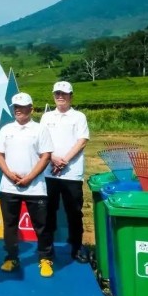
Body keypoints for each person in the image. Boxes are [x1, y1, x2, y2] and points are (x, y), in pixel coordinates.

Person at [0, 92, 56, 278]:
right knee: (10, 225)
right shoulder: (6, 129)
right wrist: (9, 174)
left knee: (42, 226)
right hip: (9, 186)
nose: (18, 110)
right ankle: (11, 257)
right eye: (15, 107)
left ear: (31, 109)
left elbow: (46, 156)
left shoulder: (40, 129)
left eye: (21, 107)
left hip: (35, 187)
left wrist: (29, 177)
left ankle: (45, 259)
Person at [42, 81, 91, 263]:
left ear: (71, 96)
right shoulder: (47, 117)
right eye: (57, 94)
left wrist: (64, 161)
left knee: (74, 212)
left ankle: (76, 247)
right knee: (48, 211)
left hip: (72, 173)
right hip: (49, 172)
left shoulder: (79, 117)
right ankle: (47, 250)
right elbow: (42, 141)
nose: (60, 97)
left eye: (64, 94)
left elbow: (82, 141)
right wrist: (53, 158)